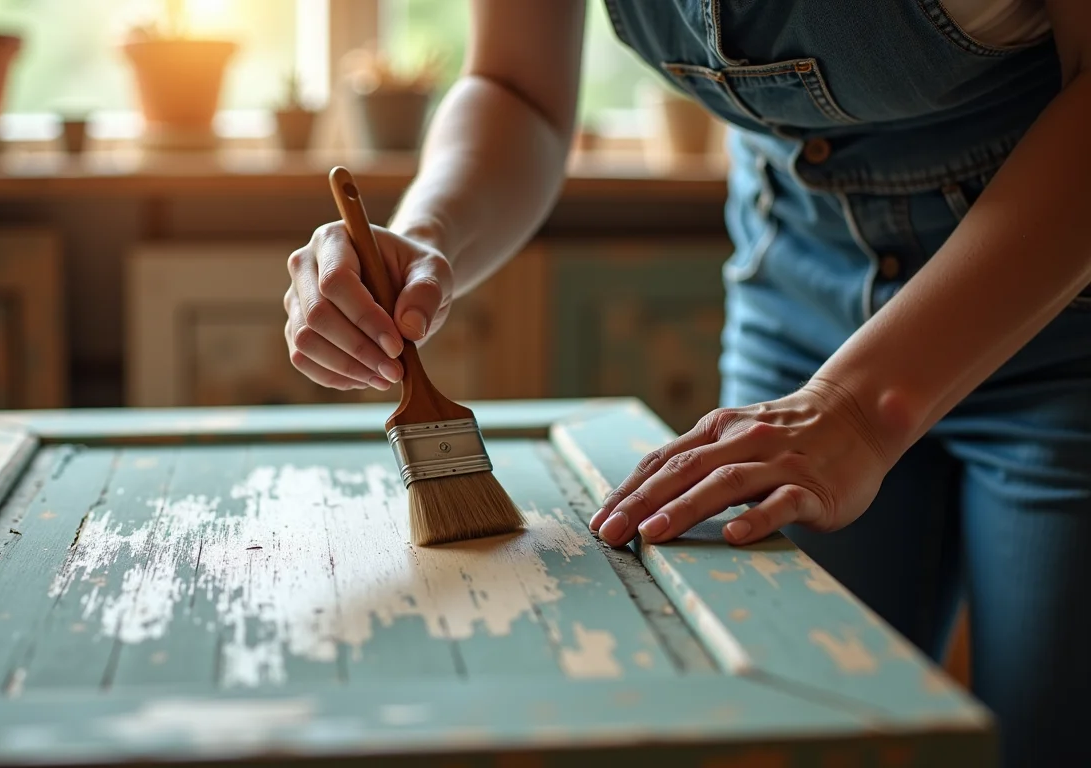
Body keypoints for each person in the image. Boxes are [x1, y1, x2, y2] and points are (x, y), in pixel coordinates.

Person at [282, 1, 1091, 764]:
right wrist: (427, 236)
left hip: (1066, 309)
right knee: (792, 712)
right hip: (797, 303)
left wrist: (856, 407)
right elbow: (516, 89)